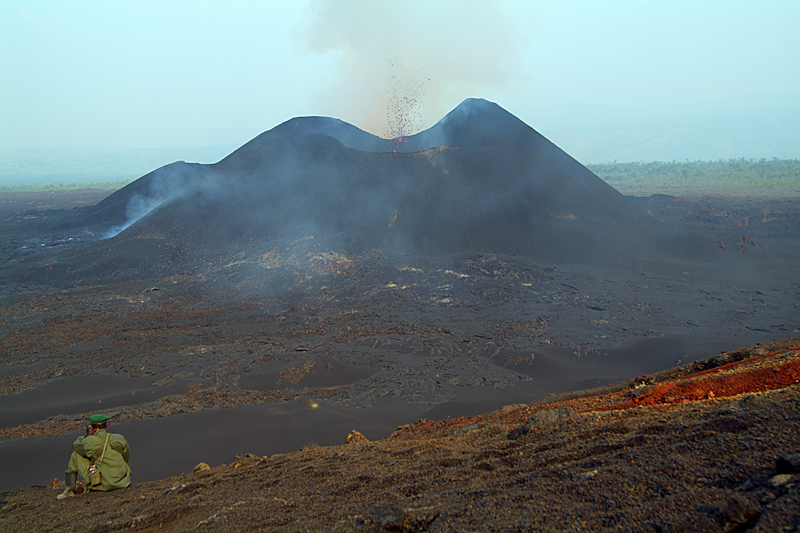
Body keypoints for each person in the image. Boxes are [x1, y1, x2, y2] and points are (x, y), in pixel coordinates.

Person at [57, 414, 131, 500]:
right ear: (106, 425)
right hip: (123, 481)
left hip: (104, 485)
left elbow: (76, 446)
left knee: (75, 455)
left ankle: (68, 490)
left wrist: (84, 438)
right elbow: (126, 456)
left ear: (92, 427)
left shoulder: (89, 441)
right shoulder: (119, 438)